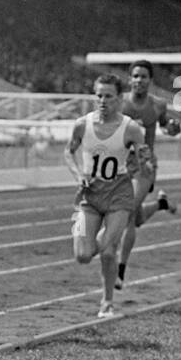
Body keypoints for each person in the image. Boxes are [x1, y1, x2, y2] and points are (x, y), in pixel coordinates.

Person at [64, 74, 146, 317]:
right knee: (82, 256)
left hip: (118, 194)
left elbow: (144, 159)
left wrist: (141, 163)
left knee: (109, 251)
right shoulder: (82, 124)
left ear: (119, 99)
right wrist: (78, 174)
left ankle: (107, 302)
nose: (102, 100)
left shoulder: (130, 128)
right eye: (98, 95)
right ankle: (81, 228)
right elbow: (69, 153)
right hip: (90, 194)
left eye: (108, 96)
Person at [116, 59, 181, 289]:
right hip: (119, 165)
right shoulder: (119, 102)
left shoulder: (158, 105)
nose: (139, 80)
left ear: (150, 80)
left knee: (129, 210)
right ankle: (161, 205)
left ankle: (120, 270)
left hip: (144, 165)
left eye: (143, 76)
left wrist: (173, 128)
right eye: (135, 76)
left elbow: (167, 127)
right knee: (136, 216)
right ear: (129, 79)